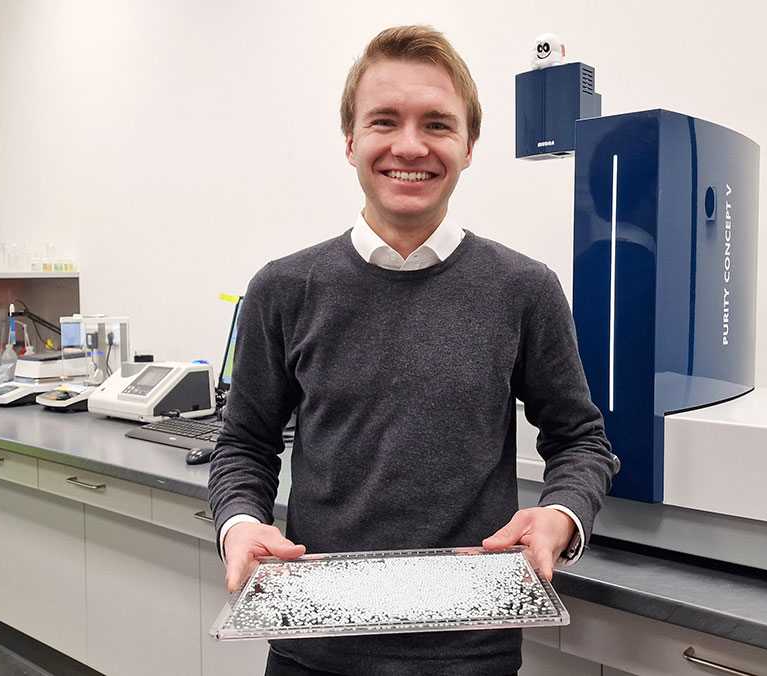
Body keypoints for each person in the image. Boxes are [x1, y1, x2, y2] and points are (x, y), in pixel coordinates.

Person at [208, 24, 618, 676]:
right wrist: (238, 523)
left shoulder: (524, 290)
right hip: (315, 647)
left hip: (469, 652)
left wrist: (560, 516)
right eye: (383, 121)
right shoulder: (283, 289)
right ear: (350, 141)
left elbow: (580, 440)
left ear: (469, 146)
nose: (409, 145)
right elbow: (244, 444)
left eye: (437, 123)